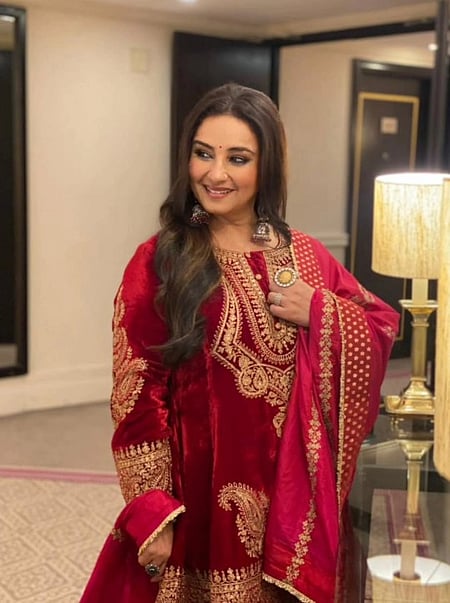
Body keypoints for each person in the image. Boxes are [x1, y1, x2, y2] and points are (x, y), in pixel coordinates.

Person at [81, 83, 399, 603]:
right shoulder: (161, 260)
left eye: (238, 158)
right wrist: (153, 509)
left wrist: (320, 311)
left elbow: (379, 323)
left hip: (293, 504)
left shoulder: (305, 257)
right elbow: (138, 393)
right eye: (203, 153)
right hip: (201, 506)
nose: (215, 174)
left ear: (266, 166)